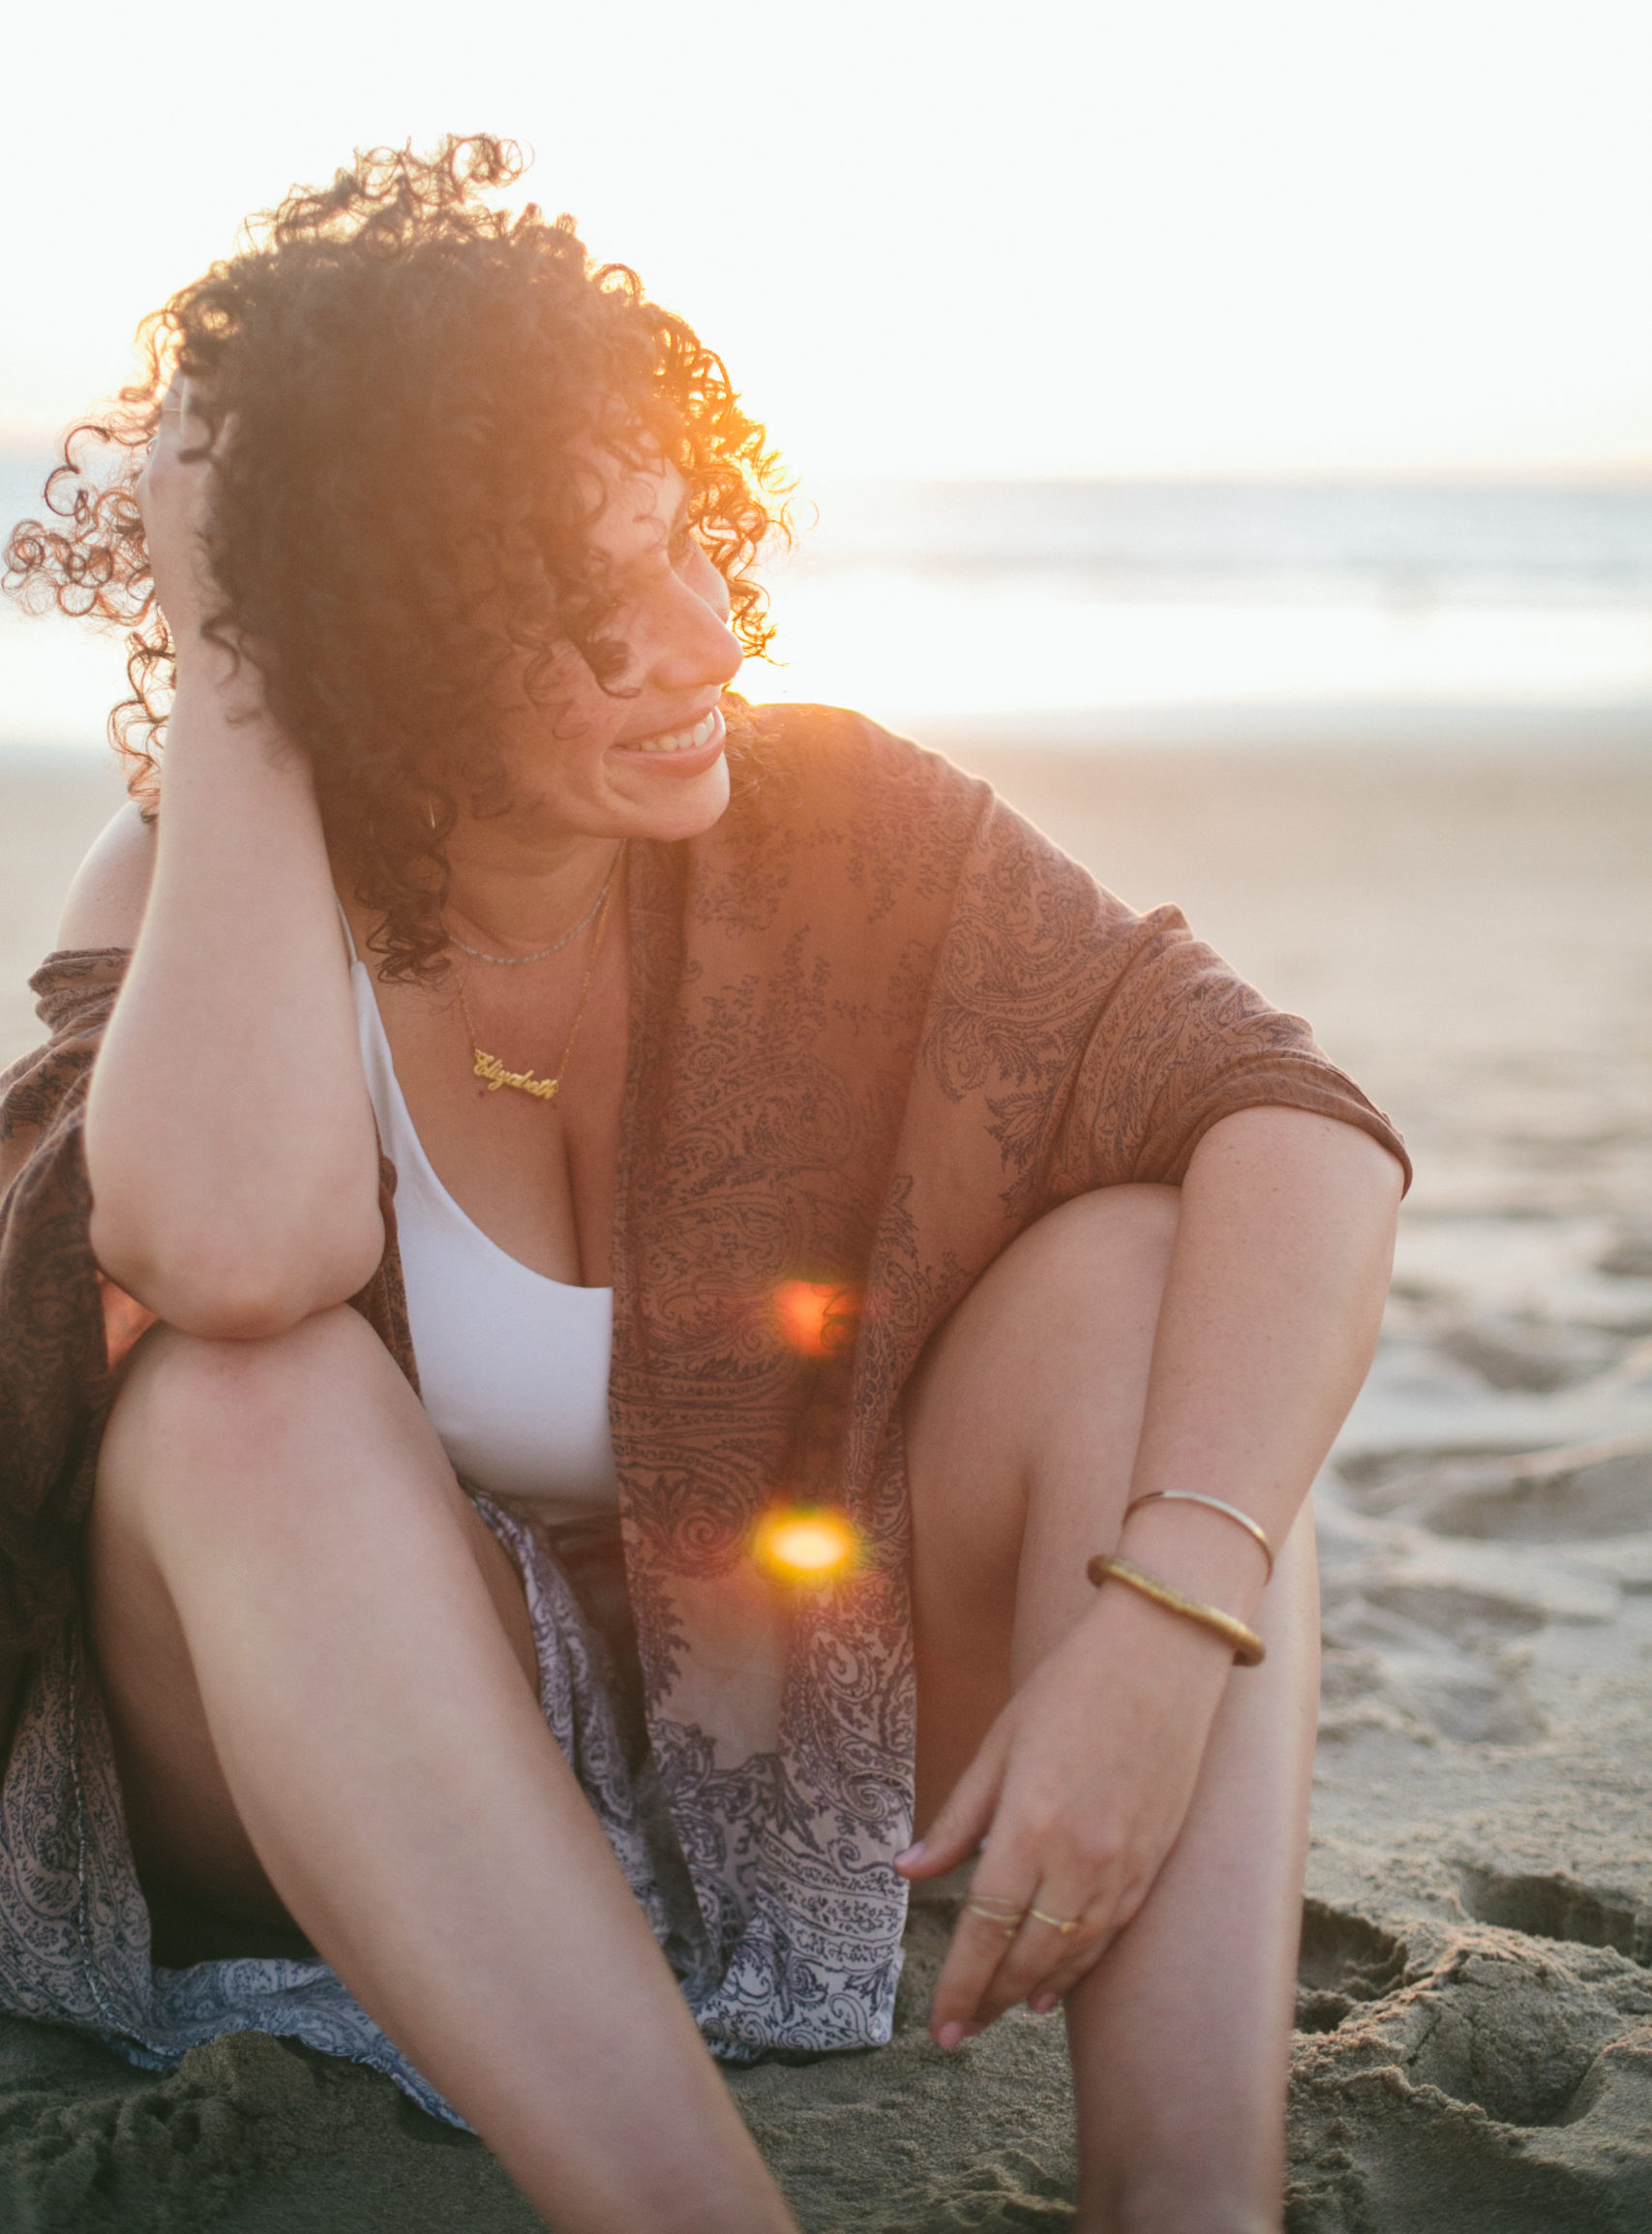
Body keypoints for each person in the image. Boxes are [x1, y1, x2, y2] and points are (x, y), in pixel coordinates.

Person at [0, 137, 1406, 2234]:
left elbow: (1294, 1120)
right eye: (578, 607)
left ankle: (1187, 2201)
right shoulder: (217, 896)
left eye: (677, 539)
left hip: (782, 1755)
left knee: (1132, 1271)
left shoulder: (835, 818)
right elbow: (222, 1248)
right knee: (242, 1399)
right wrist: (234, 649)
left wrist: (1156, 1627)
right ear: (381, 640)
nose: (695, 634)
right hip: (354, 1804)